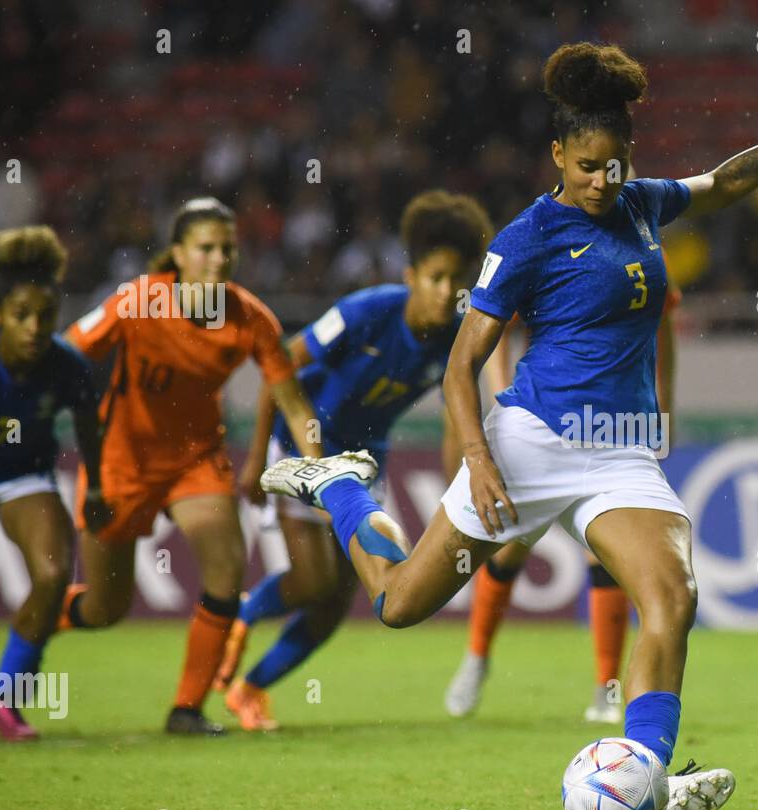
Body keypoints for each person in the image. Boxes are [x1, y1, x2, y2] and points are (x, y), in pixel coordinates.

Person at [262, 42, 758, 810]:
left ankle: (646, 776)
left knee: (673, 597)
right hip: (529, 445)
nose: (601, 180)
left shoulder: (644, 203)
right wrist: (481, 461)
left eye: (615, 164)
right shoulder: (525, 239)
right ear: (558, 154)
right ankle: (339, 484)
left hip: (618, 452)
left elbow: (727, 179)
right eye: (587, 164)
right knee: (394, 604)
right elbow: (461, 369)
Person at [215, 190, 492, 731]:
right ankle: (241, 618)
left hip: (364, 465)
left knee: (338, 602)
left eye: (458, 282)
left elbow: (455, 419)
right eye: (436, 278)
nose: (446, 292)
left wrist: (455, 484)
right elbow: (280, 369)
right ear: (411, 275)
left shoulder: (453, 343)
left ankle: (249, 689)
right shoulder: (367, 313)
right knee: (314, 582)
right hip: (303, 451)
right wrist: (254, 463)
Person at [58, 197, 323, 735]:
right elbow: (65, 355)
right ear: (178, 254)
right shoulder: (136, 301)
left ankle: (186, 710)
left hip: (196, 461)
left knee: (227, 570)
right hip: (120, 462)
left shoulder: (251, 317)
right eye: (207, 247)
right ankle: (43, 615)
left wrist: (318, 465)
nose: (220, 258)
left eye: (228, 248)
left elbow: (294, 404)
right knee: (107, 609)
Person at [444, 276, 680, 722]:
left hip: (611, 428)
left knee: (603, 557)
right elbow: (497, 331)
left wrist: (664, 406)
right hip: (542, 423)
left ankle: (605, 689)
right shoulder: (550, 243)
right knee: (508, 550)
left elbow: (661, 327)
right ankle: (476, 658)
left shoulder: (646, 246)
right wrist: (505, 402)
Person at [0, 226, 106, 740]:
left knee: (52, 577)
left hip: (24, 476)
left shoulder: (67, 364)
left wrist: (95, 490)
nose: (34, 328)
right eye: (21, 316)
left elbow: (91, 428)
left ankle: (4, 700)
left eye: (45, 316)